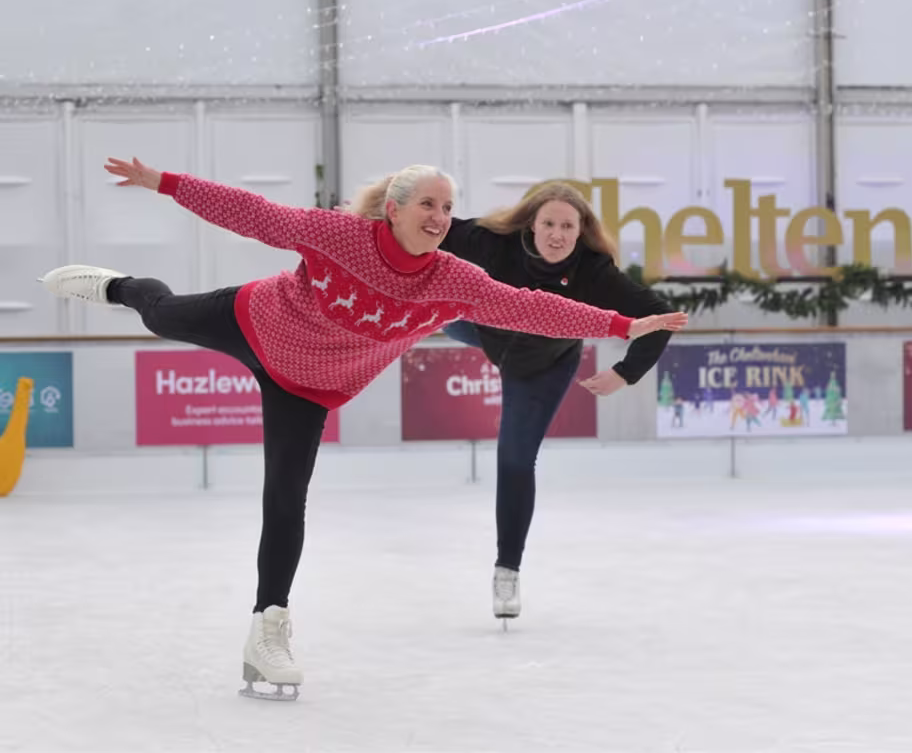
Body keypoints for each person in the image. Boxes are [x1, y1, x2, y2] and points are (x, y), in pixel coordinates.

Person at [40, 157, 687, 701]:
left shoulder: (456, 280)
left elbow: (529, 306)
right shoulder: (340, 236)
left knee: (284, 499)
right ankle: (122, 286)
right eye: (429, 206)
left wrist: (622, 327)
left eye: (447, 207)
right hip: (255, 322)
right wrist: (163, 182)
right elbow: (255, 215)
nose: (440, 218)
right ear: (394, 210)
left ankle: (268, 628)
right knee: (160, 314)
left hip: (309, 385)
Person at [348, 180, 677, 624]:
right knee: (439, 298)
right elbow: (424, 223)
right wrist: (360, 216)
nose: (556, 235)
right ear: (531, 224)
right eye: (548, 224)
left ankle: (507, 569)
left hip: (542, 366)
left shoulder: (594, 272)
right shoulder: (495, 244)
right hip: (482, 330)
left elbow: (658, 317)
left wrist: (625, 373)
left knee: (515, 461)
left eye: (567, 226)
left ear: (580, 232)